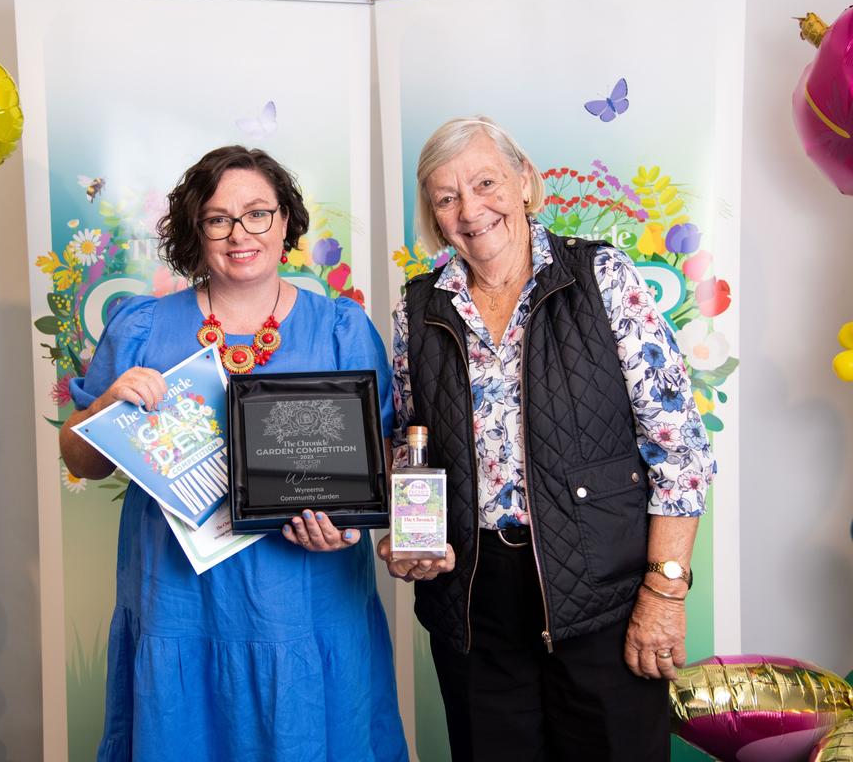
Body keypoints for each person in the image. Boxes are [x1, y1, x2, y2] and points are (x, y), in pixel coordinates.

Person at [377, 116, 716, 761]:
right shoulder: (417, 309)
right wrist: (407, 533)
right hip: (474, 602)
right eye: (447, 198)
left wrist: (665, 592)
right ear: (433, 215)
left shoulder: (600, 277)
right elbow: (408, 444)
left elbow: (680, 447)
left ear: (526, 182)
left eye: (486, 183)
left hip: (602, 593)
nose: (471, 210)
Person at [60, 145, 408, 762]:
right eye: (218, 218)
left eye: (257, 214)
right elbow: (81, 460)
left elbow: (382, 466)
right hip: (179, 603)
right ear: (197, 229)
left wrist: (348, 525)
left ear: (286, 223)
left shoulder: (342, 330)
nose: (239, 233)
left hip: (308, 603)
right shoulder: (140, 327)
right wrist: (105, 407)